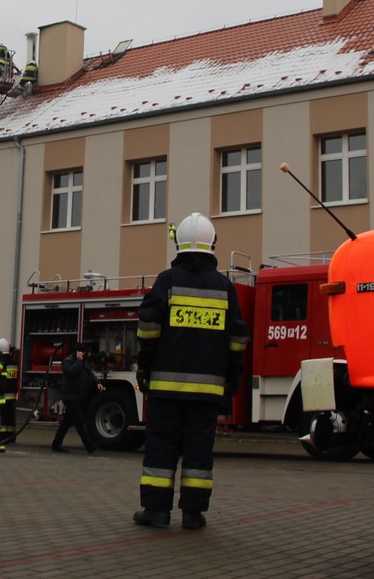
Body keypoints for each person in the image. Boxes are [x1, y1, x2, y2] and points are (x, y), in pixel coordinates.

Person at [132, 213, 248, 530]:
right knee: (199, 452)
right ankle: (193, 514)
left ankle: (156, 512)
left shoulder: (167, 280)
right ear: (212, 244)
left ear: (178, 243)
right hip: (208, 392)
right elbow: (238, 337)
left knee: (161, 447)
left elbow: (148, 325)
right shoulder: (225, 286)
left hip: (166, 388)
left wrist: (144, 365)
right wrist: (232, 380)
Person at [51, 342, 105, 454]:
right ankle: (89, 445)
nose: (85, 354)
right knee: (80, 422)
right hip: (71, 397)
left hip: (78, 396)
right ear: (77, 352)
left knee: (66, 423)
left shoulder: (83, 362)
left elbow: (90, 374)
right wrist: (79, 360)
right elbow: (72, 372)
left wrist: (97, 383)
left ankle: (56, 444)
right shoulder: (68, 362)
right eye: (83, 352)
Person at [0, 338, 20, 445]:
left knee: (3, 417)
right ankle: (11, 436)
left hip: (3, 395)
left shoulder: (0, 363)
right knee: (11, 418)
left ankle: (2, 437)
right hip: (12, 396)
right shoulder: (13, 362)